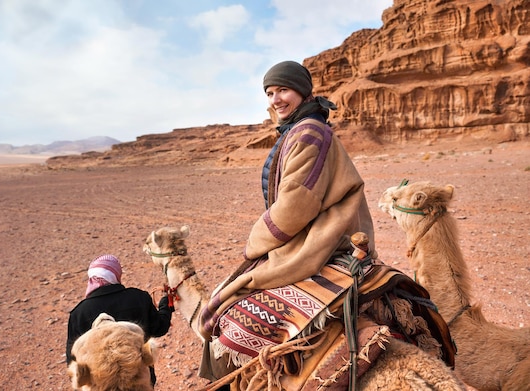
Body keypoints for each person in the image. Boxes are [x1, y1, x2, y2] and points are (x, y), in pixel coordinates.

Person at [198, 60, 376, 381]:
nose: (275, 99)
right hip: (312, 232)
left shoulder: (309, 131)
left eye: (283, 90)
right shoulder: (302, 127)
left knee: (225, 311)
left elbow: (297, 204)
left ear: (302, 92)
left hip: (323, 238)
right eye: (269, 92)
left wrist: (255, 243)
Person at [66, 254, 173, 386]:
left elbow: (73, 363)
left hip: (101, 386)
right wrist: (165, 305)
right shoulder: (138, 297)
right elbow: (160, 327)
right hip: (139, 382)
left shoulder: (79, 314)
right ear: (116, 275)